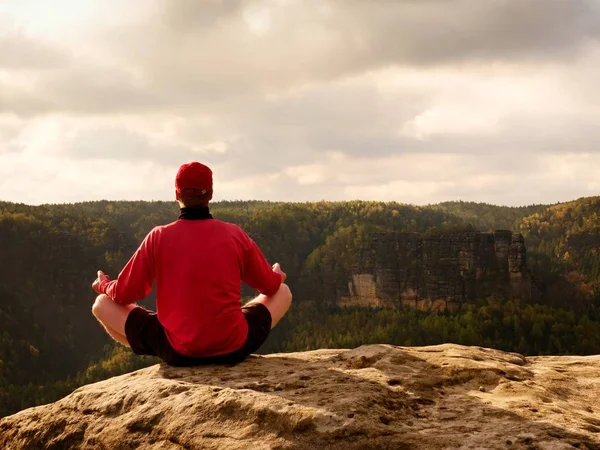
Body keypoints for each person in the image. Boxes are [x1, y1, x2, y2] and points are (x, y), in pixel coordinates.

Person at [90, 161, 292, 366]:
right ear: (211, 194)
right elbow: (270, 286)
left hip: (179, 352)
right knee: (283, 291)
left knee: (101, 304)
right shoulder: (234, 234)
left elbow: (124, 293)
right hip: (233, 348)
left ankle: (160, 354)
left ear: (177, 195)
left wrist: (104, 285)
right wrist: (277, 275)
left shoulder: (158, 237)